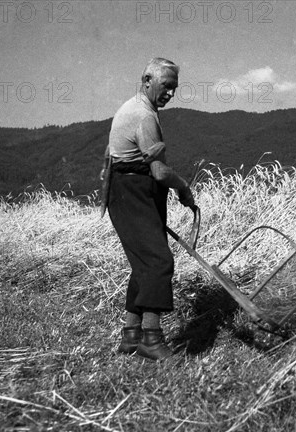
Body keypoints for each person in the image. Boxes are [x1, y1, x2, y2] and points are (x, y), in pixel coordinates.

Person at [101, 58, 195, 361]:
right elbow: (159, 172)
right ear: (147, 80)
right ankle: (151, 341)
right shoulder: (144, 116)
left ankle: (131, 337)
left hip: (129, 191)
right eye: (165, 86)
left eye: (174, 89)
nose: (169, 93)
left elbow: (110, 156)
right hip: (133, 192)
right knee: (158, 262)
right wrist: (183, 187)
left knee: (144, 264)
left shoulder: (134, 108)